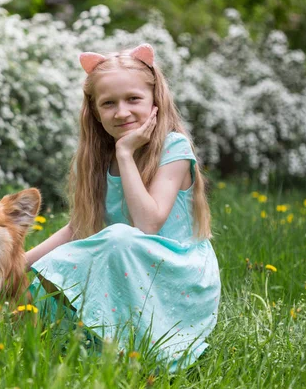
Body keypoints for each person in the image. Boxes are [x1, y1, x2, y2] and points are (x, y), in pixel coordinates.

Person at [25, 44, 221, 371]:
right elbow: (80, 228)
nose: (122, 112)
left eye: (133, 99)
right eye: (109, 103)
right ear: (95, 111)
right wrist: (21, 263)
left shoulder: (173, 148)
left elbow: (147, 225)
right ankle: (97, 345)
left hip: (177, 277)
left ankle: (142, 348)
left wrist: (127, 154)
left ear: (155, 101)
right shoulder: (96, 160)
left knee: (118, 238)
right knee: (39, 274)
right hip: (130, 266)